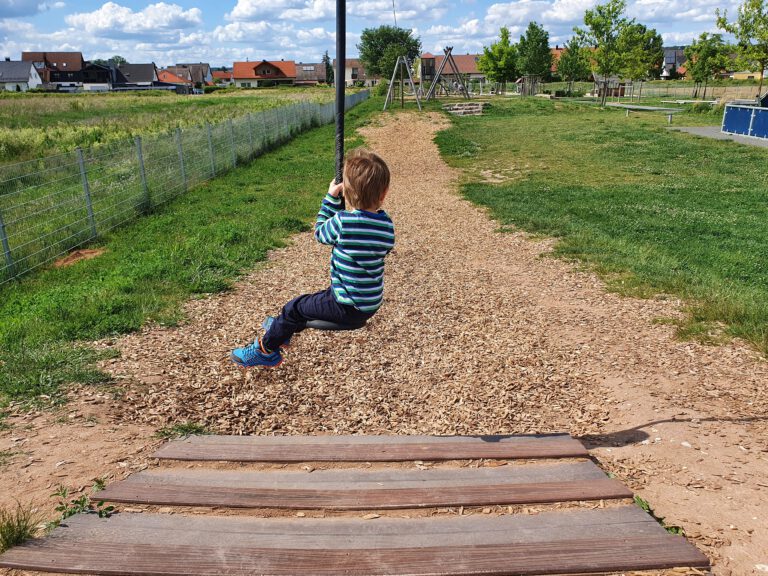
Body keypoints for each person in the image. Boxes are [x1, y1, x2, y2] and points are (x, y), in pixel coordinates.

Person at [231, 148, 395, 367]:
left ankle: (266, 350)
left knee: (294, 307)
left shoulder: (343, 222)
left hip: (345, 305)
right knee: (309, 302)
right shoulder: (386, 226)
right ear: (383, 194)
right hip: (369, 303)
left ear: (345, 191)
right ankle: (283, 328)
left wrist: (330, 198)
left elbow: (320, 232)